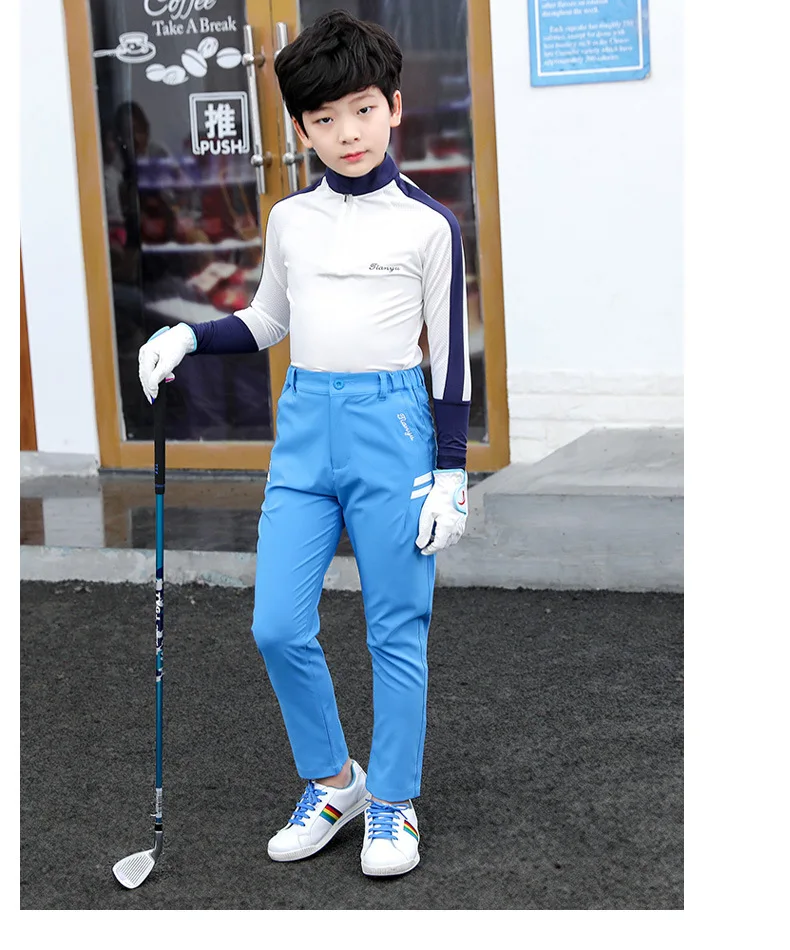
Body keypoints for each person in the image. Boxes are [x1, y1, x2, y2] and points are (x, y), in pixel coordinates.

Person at [137, 9, 471, 878]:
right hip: (305, 429)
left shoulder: (429, 225)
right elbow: (268, 320)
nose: (347, 133)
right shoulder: (290, 218)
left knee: (396, 627)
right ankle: (335, 781)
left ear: (393, 107)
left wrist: (451, 473)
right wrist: (190, 336)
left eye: (363, 110)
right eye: (324, 119)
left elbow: (448, 360)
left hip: (394, 427)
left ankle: (393, 799)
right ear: (300, 128)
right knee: (277, 624)